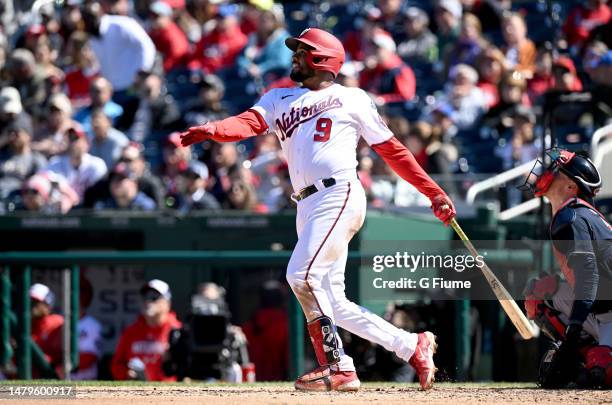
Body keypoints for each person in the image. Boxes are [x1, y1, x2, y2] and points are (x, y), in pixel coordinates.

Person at [180, 27, 455, 391]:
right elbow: (247, 123)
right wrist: (215, 129)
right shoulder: (279, 97)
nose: (295, 56)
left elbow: (393, 151)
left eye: (302, 50)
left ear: (323, 59)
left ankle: (339, 366)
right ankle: (411, 345)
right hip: (306, 204)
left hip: (337, 194)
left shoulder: (352, 98)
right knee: (334, 302)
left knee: (301, 275)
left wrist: (432, 191)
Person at [522, 149, 612, 388]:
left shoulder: (571, 217)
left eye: (557, 170)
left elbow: (589, 276)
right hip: (603, 309)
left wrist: (572, 334)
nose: (547, 172)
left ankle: (591, 362)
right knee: (540, 293)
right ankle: (586, 358)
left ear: (572, 187)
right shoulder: (575, 213)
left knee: (603, 373)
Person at [111, 279, 182, 381]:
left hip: (169, 393)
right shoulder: (131, 331)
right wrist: (127, 373)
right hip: (138, 393)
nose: (148, 302)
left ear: (167, 303)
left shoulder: (177, 331)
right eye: (145, 297)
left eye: (154, 298)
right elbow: (116, 365)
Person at [45, 125, 107, 202]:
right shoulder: (55, 162)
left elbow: (99, 192)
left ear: (87, 142)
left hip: (91, 209)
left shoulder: (96, 164)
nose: (73, 143)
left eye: (76, 139)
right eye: (70, 139)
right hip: (64, 210)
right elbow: (44, 179)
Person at [30, 283, 64, 377]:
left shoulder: (57, 322)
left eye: (36, 302)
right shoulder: (26, 323)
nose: (32, 305)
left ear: (47, 304)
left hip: (50, 376)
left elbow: (60, 357)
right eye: (30, 301)